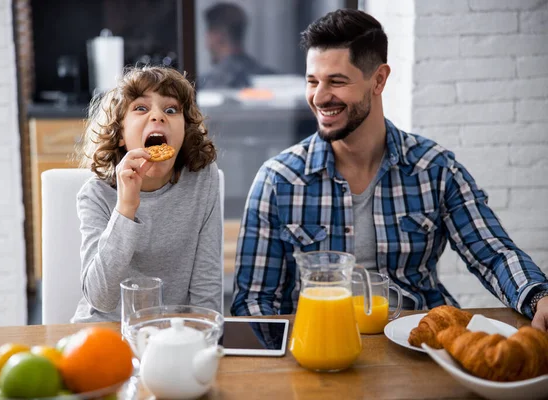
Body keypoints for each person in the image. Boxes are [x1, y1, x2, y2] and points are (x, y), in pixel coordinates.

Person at [230, 9, 548, 331]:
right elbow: (255, 301)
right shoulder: (278, 179)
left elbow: (493, 253)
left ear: (379, 79)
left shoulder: (434, 168)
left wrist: (539, 298)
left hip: (419, 340)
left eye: (337, 82)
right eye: (312, 82)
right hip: (319, 342)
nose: (320, 97)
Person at [72, 66, 222, 323]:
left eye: (171, 109)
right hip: (106, 334)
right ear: (120, 134)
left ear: (184, 130)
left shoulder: (202, 180)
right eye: (141, 108)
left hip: (174, 333)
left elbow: (206, 290)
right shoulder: (95, 195)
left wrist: (202, 343)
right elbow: (100, 298)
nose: (158, 116)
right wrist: (125, 208)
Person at [200, 2, 275, 89]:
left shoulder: (209, 85)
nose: (206, 44)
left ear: (218, 36)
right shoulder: (269, 78)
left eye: (208, 34)